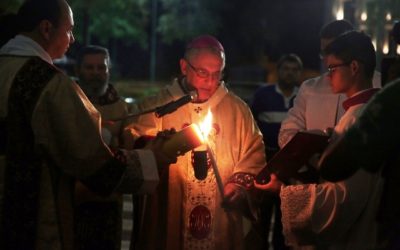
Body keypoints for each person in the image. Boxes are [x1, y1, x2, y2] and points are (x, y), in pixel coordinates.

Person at [0, 1, 176, 249]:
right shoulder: (50, 85)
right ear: (47, 29)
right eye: (69, 30)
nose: (72, 39)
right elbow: (94, 162)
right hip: (35, 219)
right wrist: (152, 158)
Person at [126, 34, 266, 249]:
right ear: (184, 67)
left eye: (217, 74)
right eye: (202, 73)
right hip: (169, 211)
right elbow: (134, 140)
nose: (210, 82)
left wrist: (238, 186)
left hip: (220, 214)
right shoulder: (159, 106)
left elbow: (253, 153)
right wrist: (159, 147)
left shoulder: (237, 110)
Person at [255, 31, 384, 249]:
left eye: (333, 68)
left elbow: (342, 200)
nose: (328, 75)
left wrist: (282, 192)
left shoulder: (357, 123)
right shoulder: (363, 114)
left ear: (354, 67)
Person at [278, 19, 381, 149]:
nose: (327, 59)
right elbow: (288, 131)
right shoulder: (310, 88)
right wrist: (308, 153)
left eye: (333, 51)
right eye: (324, 52)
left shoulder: (379, 86)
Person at [73, 45, 132, 250]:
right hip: (75, 192)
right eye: (89, 67)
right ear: (79, 70)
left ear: (108, 70)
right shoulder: (68, 101)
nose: (96, 73)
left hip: (109, 196)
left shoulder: (121, 108)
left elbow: (129, 148)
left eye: (101, 68)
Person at [251, 53, 303, 249]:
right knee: (262, 216)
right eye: (286, 69)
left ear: (299, 73)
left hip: (293, 166)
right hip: (266, 160)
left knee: (287, 217)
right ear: (278, 71)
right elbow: (250, 124)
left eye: (294, 69)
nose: (290, 73)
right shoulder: (263, 95)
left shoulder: (303, 97)